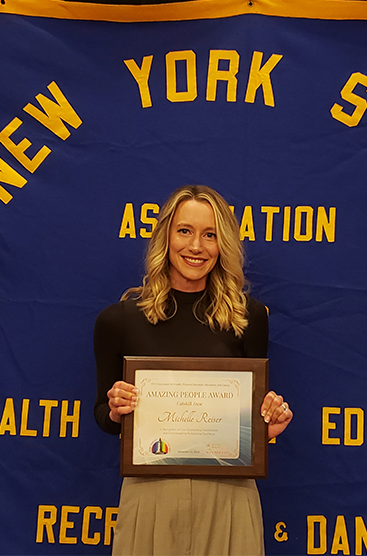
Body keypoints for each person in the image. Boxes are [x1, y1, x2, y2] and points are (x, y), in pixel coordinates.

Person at [93, 185, 293, 556]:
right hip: (150, 493)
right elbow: (103, 417)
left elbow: (246, 426)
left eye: (210, 234)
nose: (196, 247)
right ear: (165, 236)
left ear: (223, 245)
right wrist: (116, 409)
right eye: (185, 231)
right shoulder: (118, 320)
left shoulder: (248, 317)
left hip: (229, 495)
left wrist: (267, 428)